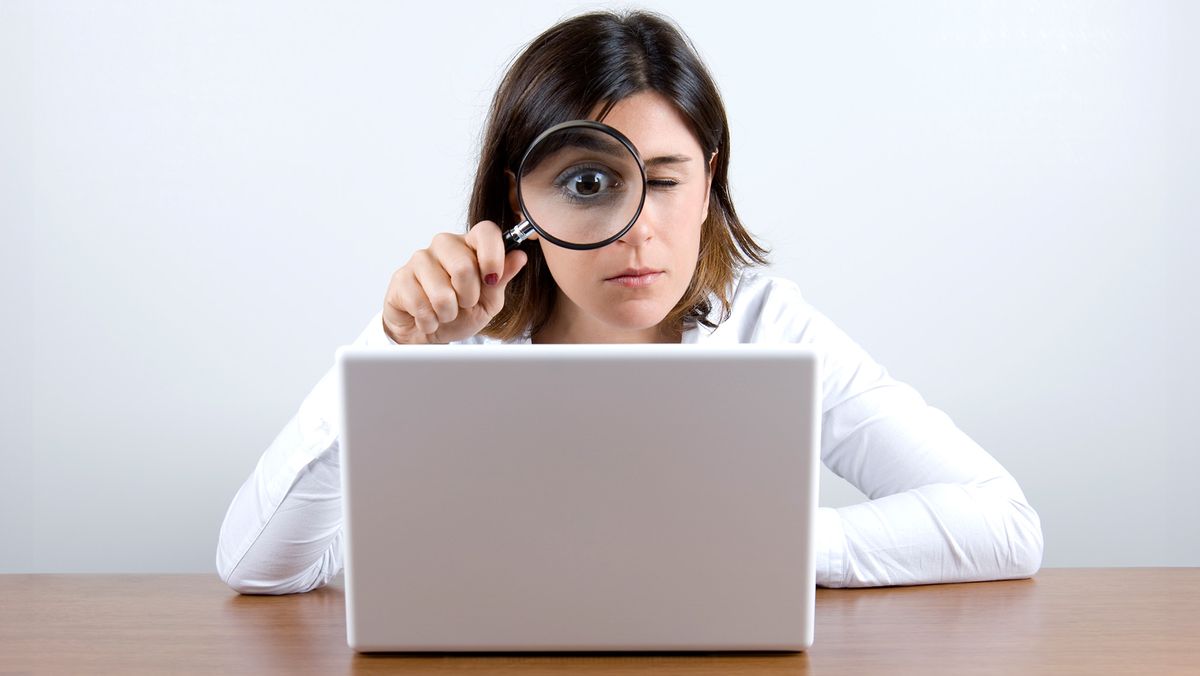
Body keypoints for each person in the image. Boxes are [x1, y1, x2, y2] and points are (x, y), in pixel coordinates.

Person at [216, 9, 1043, 594]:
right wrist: (391, 353)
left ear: (709, 180)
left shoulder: (767, 326)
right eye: (588, 182)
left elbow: (1002, 523)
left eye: (668, 180)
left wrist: (772, 546)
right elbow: (258, 568)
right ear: (520, 199)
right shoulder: (451, 345)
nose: (637, 231)